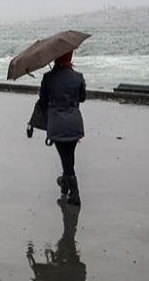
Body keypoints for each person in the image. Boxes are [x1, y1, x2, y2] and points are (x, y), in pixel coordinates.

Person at [39, 50, 86, 205]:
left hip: (57, 123)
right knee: (68, 155)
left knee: (66, 157)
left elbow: (43, 101)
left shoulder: (48, 78)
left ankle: (75, 193)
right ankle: (65, 184)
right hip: (74, 122)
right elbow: (82, 98)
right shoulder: (78, 77)